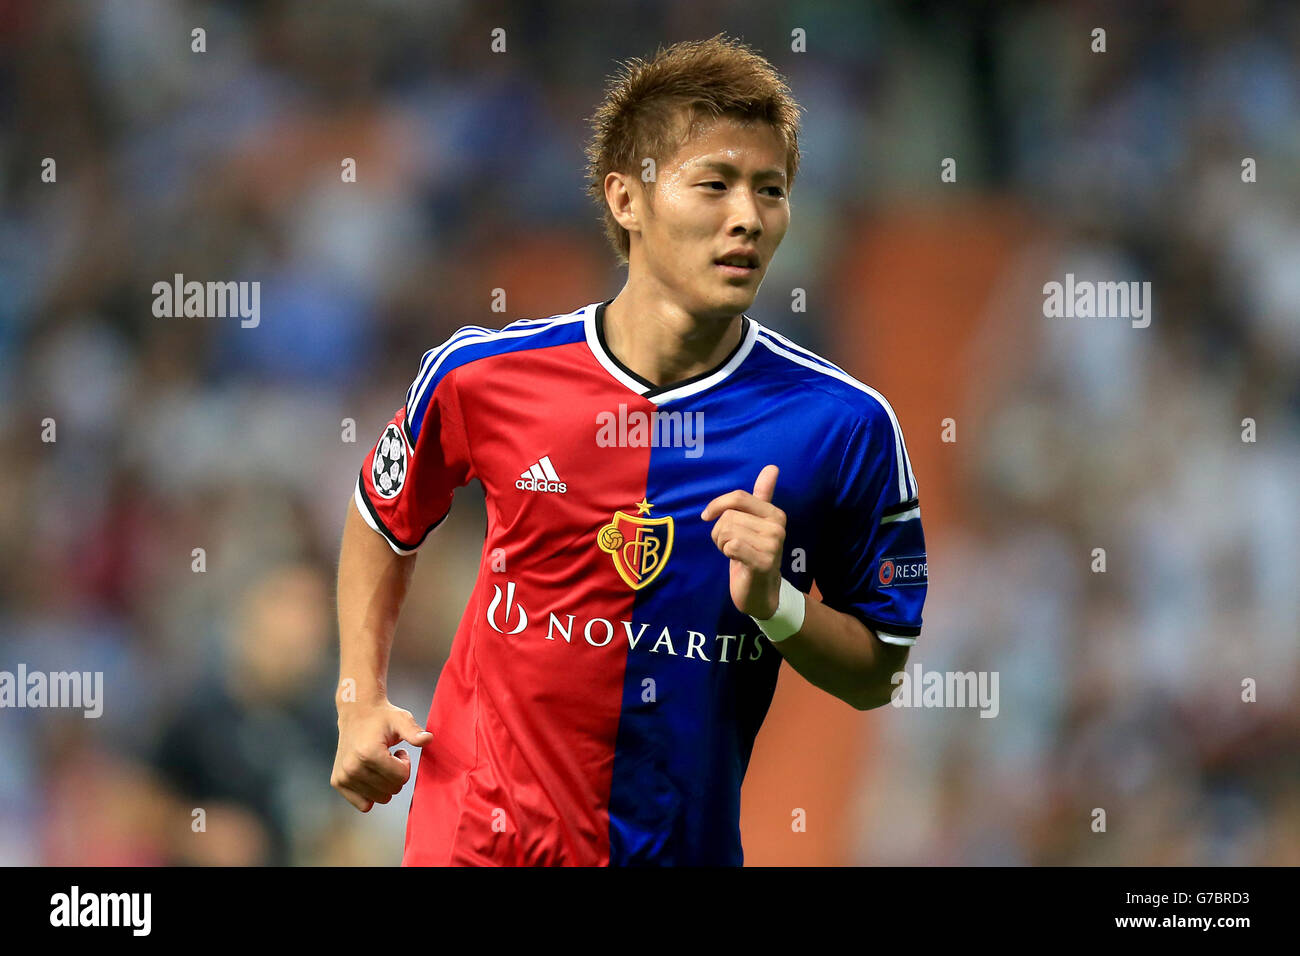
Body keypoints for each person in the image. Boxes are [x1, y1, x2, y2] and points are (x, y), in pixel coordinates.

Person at [331, 34, 928, 865]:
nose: (748, 217)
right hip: (475, 839)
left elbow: (881, 669)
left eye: (771, 190)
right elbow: (380, 518)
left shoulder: (843, 426)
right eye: (714, 185)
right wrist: (359, 699)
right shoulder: (482, 376)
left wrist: (776, 605)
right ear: (626, 199)